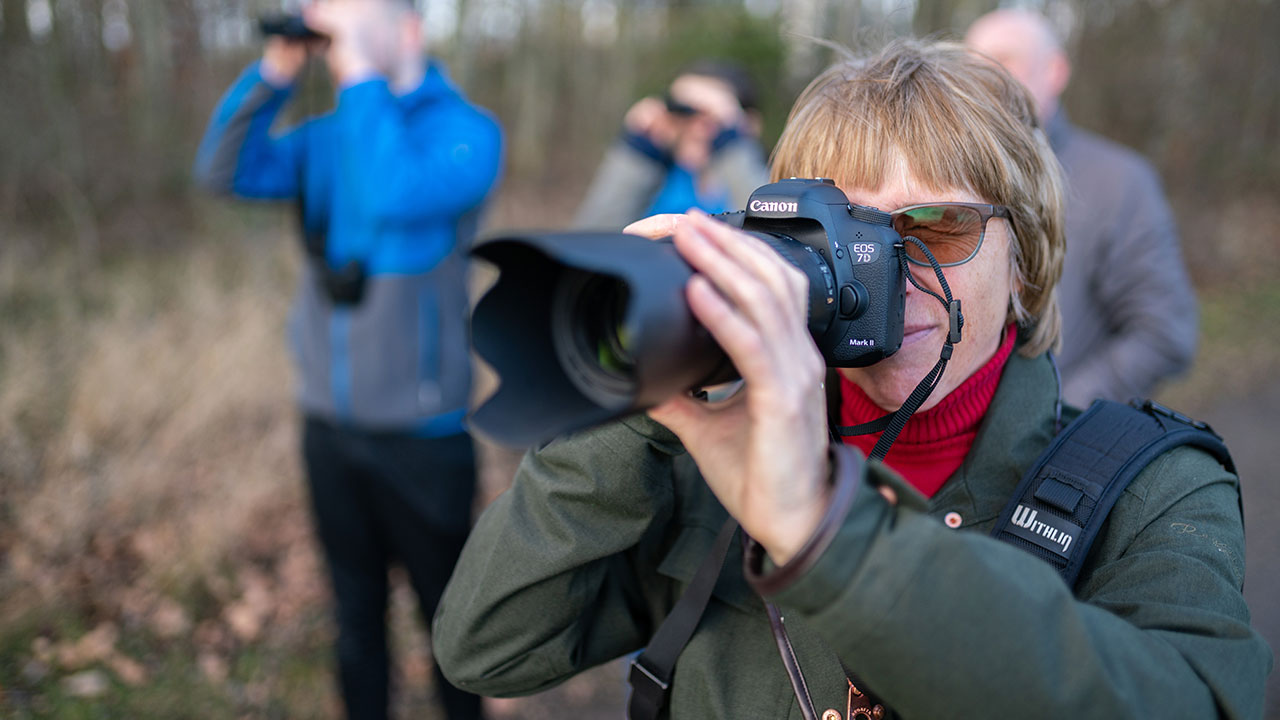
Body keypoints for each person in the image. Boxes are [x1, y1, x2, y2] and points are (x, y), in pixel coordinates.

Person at [431, 40, 1271, 718]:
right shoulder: (709, 465)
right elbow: (487, 647)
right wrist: (645, 385)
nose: (884, 275)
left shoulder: (1151, 490)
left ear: (1027, 260)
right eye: (829, 235)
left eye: (935, 228)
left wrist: (828, 533)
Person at [194, 1, 501, 718]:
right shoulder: (327, 136)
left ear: (410, 29)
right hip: (328, 426)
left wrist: (361, 74)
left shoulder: (467, 134)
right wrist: (274, 75)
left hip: (424, 435)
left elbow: (394, 194)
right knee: (355, 618)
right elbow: (220, 170)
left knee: (449, 628)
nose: (341, 40)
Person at [965, 9, 1198, 408]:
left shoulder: (1119, 182)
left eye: (1004, 60)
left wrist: (1061, 413)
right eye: (970, 66)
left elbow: (1166, 332)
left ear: (1055, 70)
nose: (983, 78)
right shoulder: (948, 182)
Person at [572, 60, 770, 230]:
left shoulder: (771, 182)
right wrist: (638, 149)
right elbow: (591, 242)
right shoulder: (650, 179)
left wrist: (732, 143)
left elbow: (774, 238)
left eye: (711, 118)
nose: (693, 127)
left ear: (750, 124)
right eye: (682, 113)